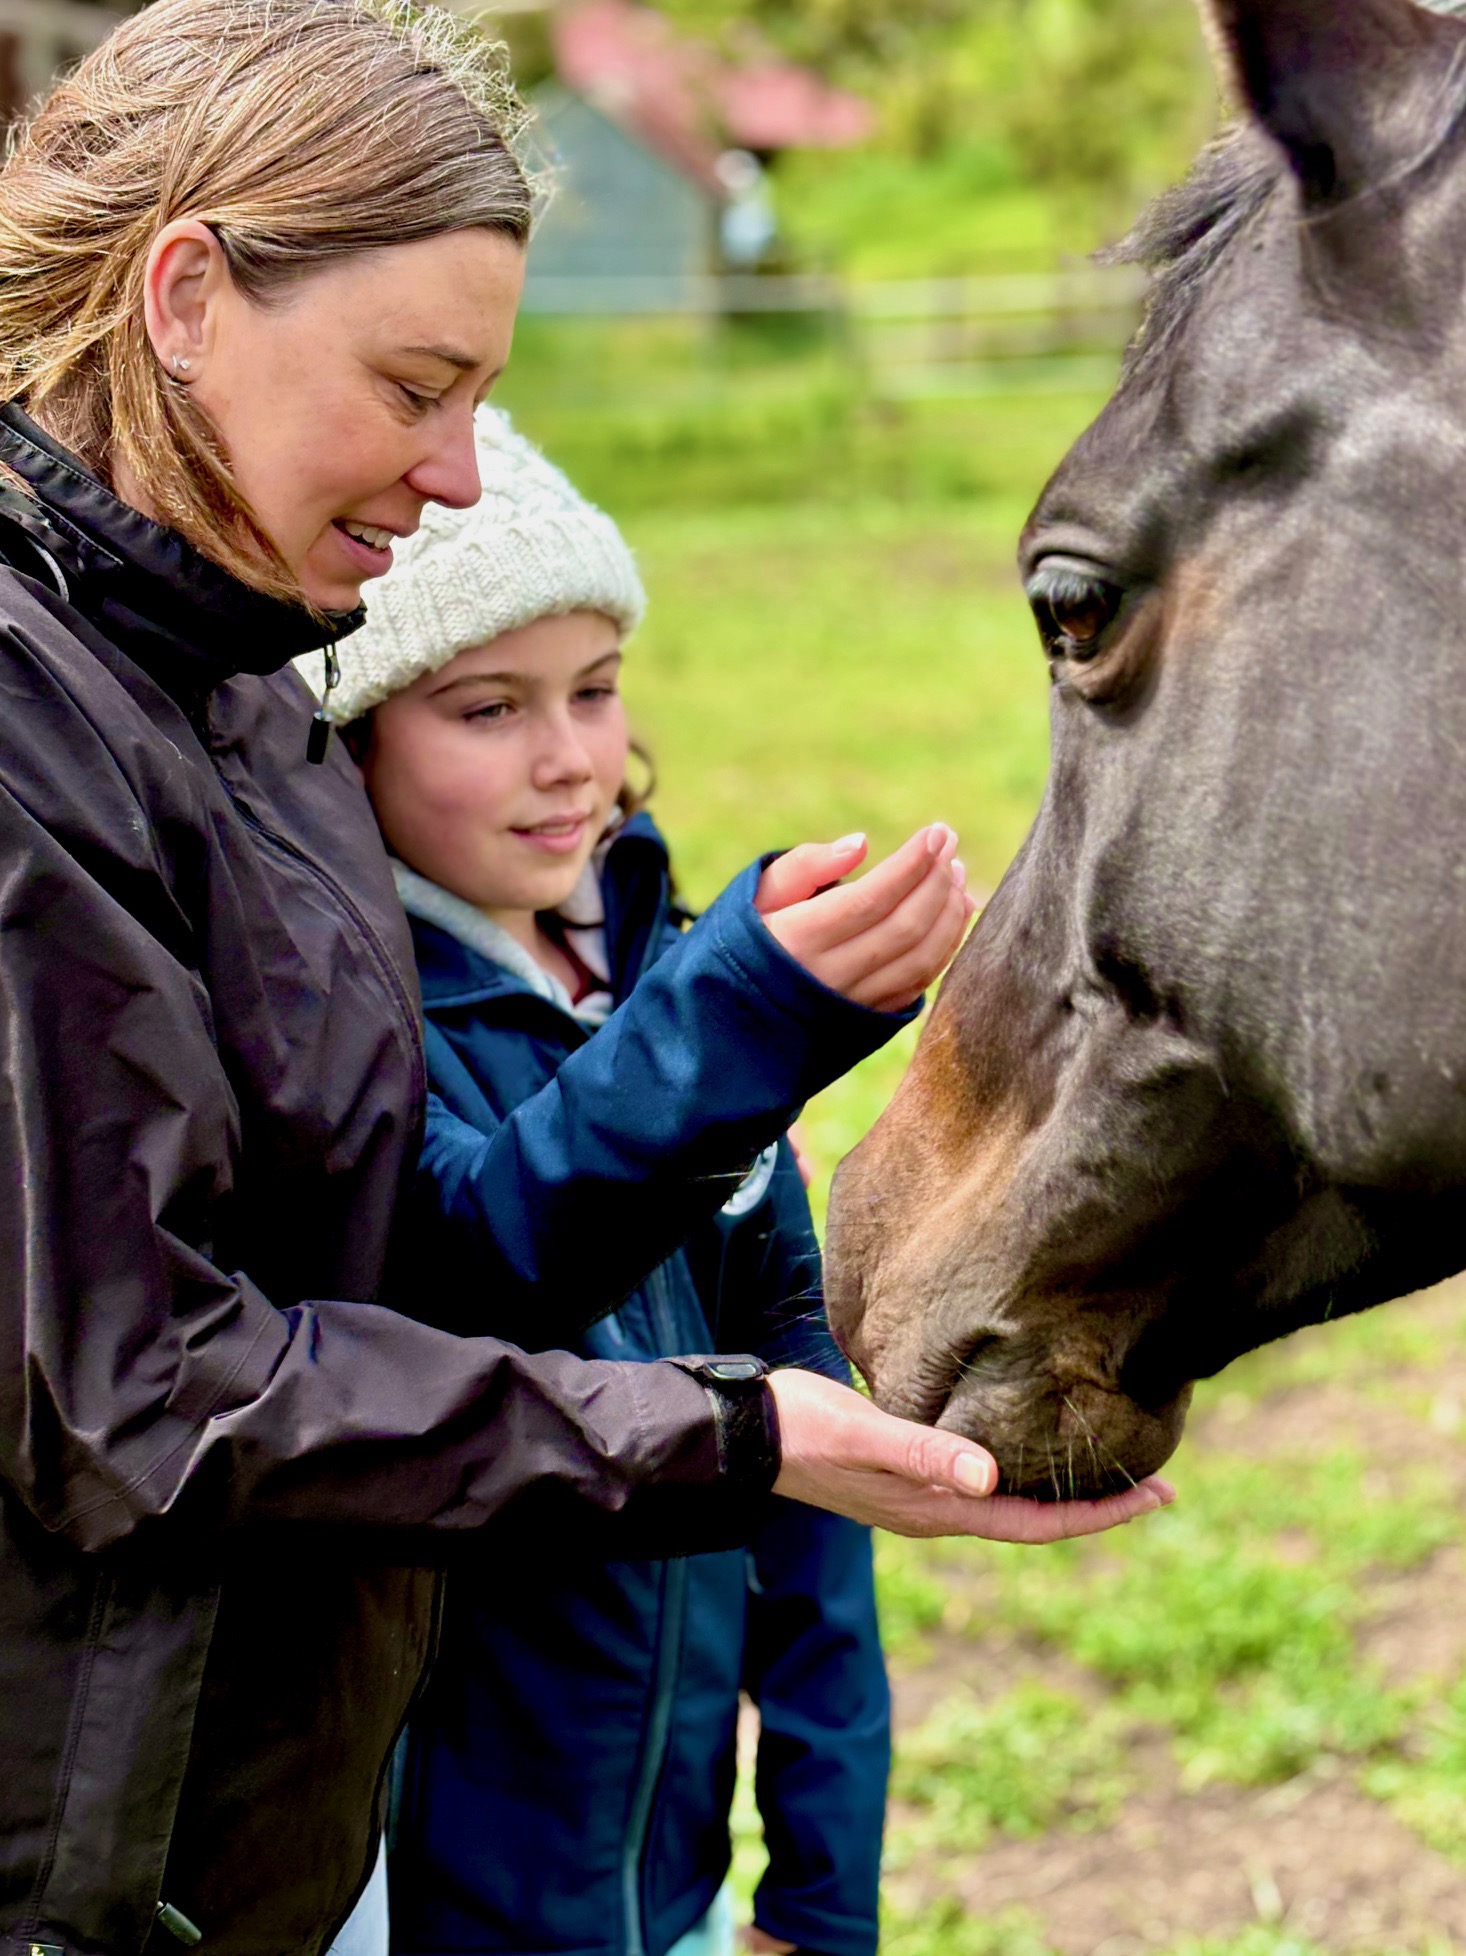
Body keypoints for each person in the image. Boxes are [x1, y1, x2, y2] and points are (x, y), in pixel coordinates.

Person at [0, 4, 1173, 1953]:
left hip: (256, 1858)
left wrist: (740, 1028)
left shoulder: (248, 699)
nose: (459, 476)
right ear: (187, 295)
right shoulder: (36, 746)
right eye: (415, 385)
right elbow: (143, 1400)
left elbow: (400, 1289)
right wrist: (738, 1437)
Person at [301, 407, 890, 1956]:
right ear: (349, 733)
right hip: (431, 1909)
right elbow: (487, 1257)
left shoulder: (662, 968)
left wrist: (823, 1893)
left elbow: (812, 1485)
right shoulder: (353, 1036)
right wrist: (733, 1032)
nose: (569, 759)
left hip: (674, 1899)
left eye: (596, 688)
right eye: (486, 707)